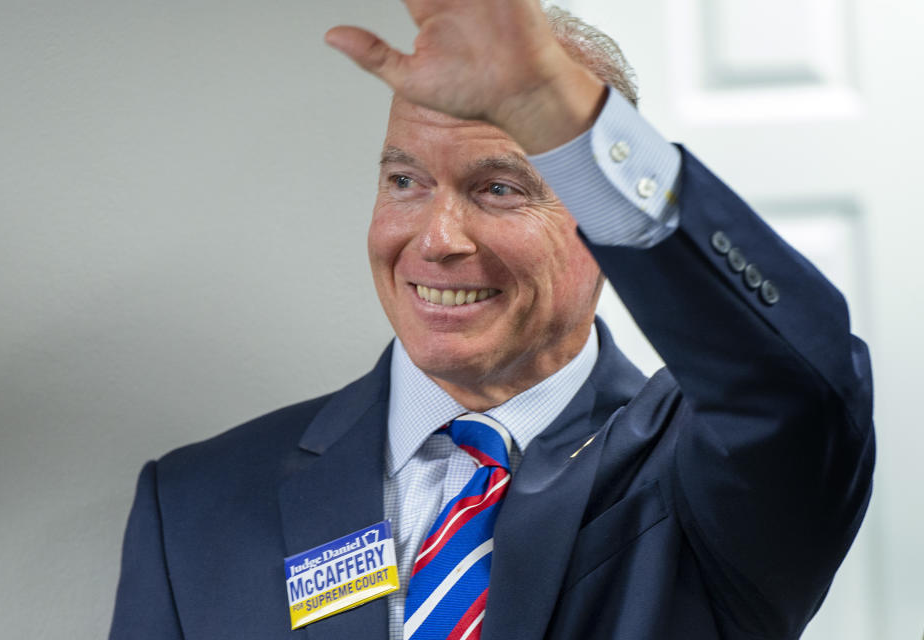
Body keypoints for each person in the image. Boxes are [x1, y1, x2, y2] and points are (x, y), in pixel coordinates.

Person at [109, 1, 875, 638]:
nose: (436, 240)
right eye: (405, 179)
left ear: (603, 226)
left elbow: (798, 387)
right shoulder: (193, 502)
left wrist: (565, 117)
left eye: (500, 189)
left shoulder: (703, 471)